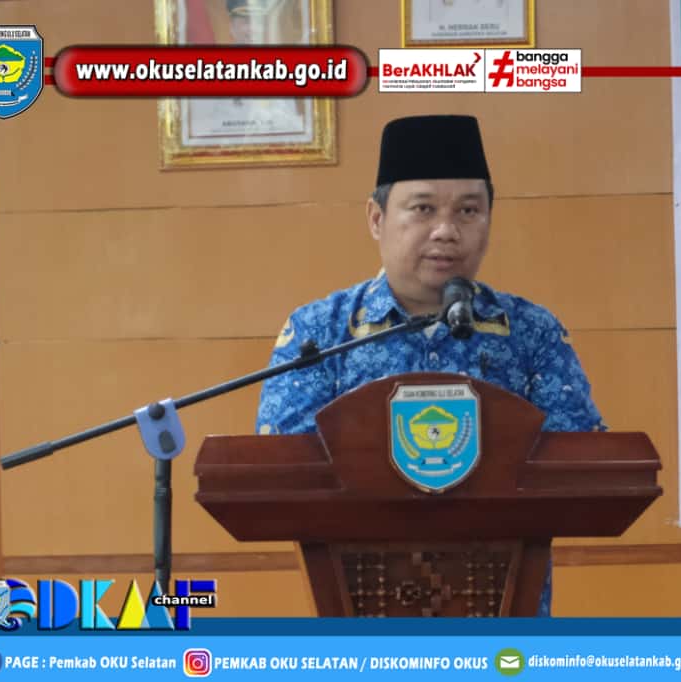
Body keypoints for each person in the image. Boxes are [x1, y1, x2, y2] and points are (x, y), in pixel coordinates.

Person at [256, 114, 605, 616]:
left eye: (468, 210)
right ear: (376, 218)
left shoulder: (530, 332)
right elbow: (284, 473)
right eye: (423, 209)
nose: (446, 231)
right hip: (364, 617)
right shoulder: (320, 332)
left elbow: (582, 467)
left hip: (504, 621)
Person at [183, 0, 310, 146]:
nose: (253, 29)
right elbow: (200, 126)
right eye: (245, 21)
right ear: (232, 27)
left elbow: (292, 124)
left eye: (258, 21)